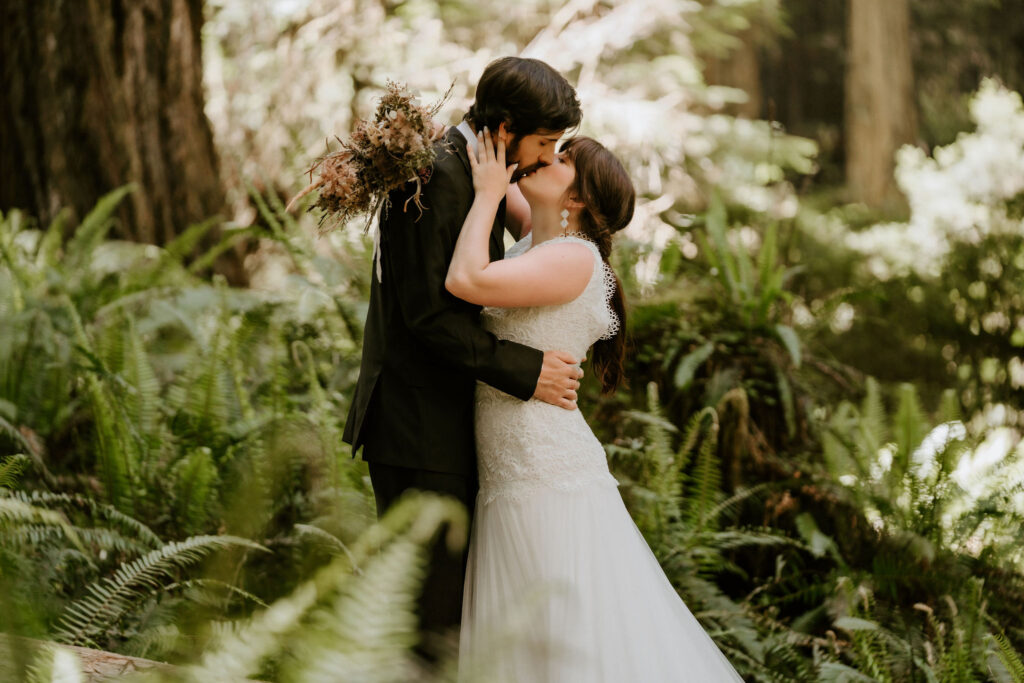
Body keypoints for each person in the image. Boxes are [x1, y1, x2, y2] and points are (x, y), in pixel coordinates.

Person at [446, 131, 745, 681]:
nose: (539, 159)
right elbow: (505, 175)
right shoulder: (538, 241)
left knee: (561, 636)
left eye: (557, 158)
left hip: (542, 474)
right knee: (527, 640)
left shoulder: (573, 259)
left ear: (578, 199)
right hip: (509, 472)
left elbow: (466, 280)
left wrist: (489, 192)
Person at [341, 57, 586, 662]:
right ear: (505, 129)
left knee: (443, 608)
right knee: (427, 615)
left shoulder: (473, 171)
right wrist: (527, 372)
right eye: (544, 142)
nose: (547, 156)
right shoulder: (439, 174)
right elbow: (427, 316)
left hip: (439, 421)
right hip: (417, 425)